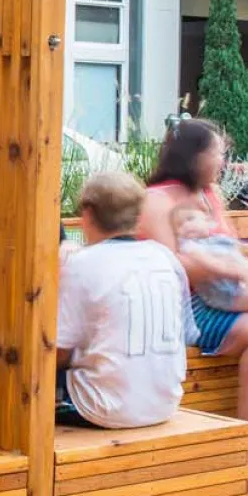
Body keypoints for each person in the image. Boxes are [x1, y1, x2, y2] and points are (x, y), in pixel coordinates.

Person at [139, 119, 248, 482]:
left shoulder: (210, 194)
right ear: (195, 156)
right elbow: (171, 264)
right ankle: (245, 435)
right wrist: (229, 271)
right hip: (184, 307)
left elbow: (232, 247)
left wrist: (245, 279)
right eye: (218, 152)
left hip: (223, 298)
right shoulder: (156, 200)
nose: (223, 160)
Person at [57, 172, 189, 430]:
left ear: (88, 214)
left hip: (103, 408)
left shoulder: (82, 263)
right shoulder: (164, 257)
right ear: (138, 217)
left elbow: (59, 352)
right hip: (166, 402)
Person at [171, 204, 248, 311]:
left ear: (208, 222)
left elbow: (236, 252)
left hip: (239, 286)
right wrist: (236, 272)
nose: (186, 225)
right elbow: (207, 262)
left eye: (190, 219)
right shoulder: (190, 246)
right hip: (225, 296)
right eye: (179, 225)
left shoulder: (217, 240)